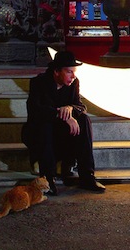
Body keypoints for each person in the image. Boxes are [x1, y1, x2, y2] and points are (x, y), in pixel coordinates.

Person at [22, 50, 106, 195]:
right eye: (69, 72)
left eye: (74, 72)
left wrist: (70, 109)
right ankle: (48, 179)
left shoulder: (74, 83)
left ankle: (87, 176)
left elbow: (80, 106)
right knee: (44, 125)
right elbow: (35, 110)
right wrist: (60, 114)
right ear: (56, 71)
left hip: (62, 134)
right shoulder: (38, 82)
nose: (73, 76)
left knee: (84, 120)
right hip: (40, 133)